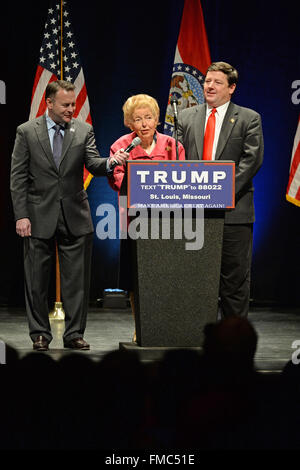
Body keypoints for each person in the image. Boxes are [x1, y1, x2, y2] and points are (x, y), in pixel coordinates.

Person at [10, 80, 128, 351]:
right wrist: (21, 215)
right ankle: (39, 334)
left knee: (77, 283)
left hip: (75, 215)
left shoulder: (83, 129)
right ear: (48, 103)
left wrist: (111, 162)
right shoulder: (26, 132)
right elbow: (17, 177)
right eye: (65, 104)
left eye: (73, 104)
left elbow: (93, 164)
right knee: (36, 282)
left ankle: (74, 334)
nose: (71, 109)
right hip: (38, 215)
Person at [176, 62, 264, 318]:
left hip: (234, 212)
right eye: (207, 81)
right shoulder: (186, 116)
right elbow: (178, 160)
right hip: (194, 214)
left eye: (217, 82)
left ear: (232, 88)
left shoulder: (249, 118)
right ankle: (194, 337)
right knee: (195, 280)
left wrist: (219, 193)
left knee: (233, 282)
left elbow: (251, 162)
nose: (209, 86)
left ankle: (232, 341)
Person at [108, 94, 185, 341]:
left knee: (166, 276)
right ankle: (140, 326)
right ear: (129, 123)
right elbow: (116, 178)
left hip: (168, 221)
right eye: (137, 119)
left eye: (148, 118)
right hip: (135, 222)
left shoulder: (173, 145)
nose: (143, 124)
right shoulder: (121, 146)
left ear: (157, 120)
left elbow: (183, 178)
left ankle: (168, 324)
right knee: (137, 278)